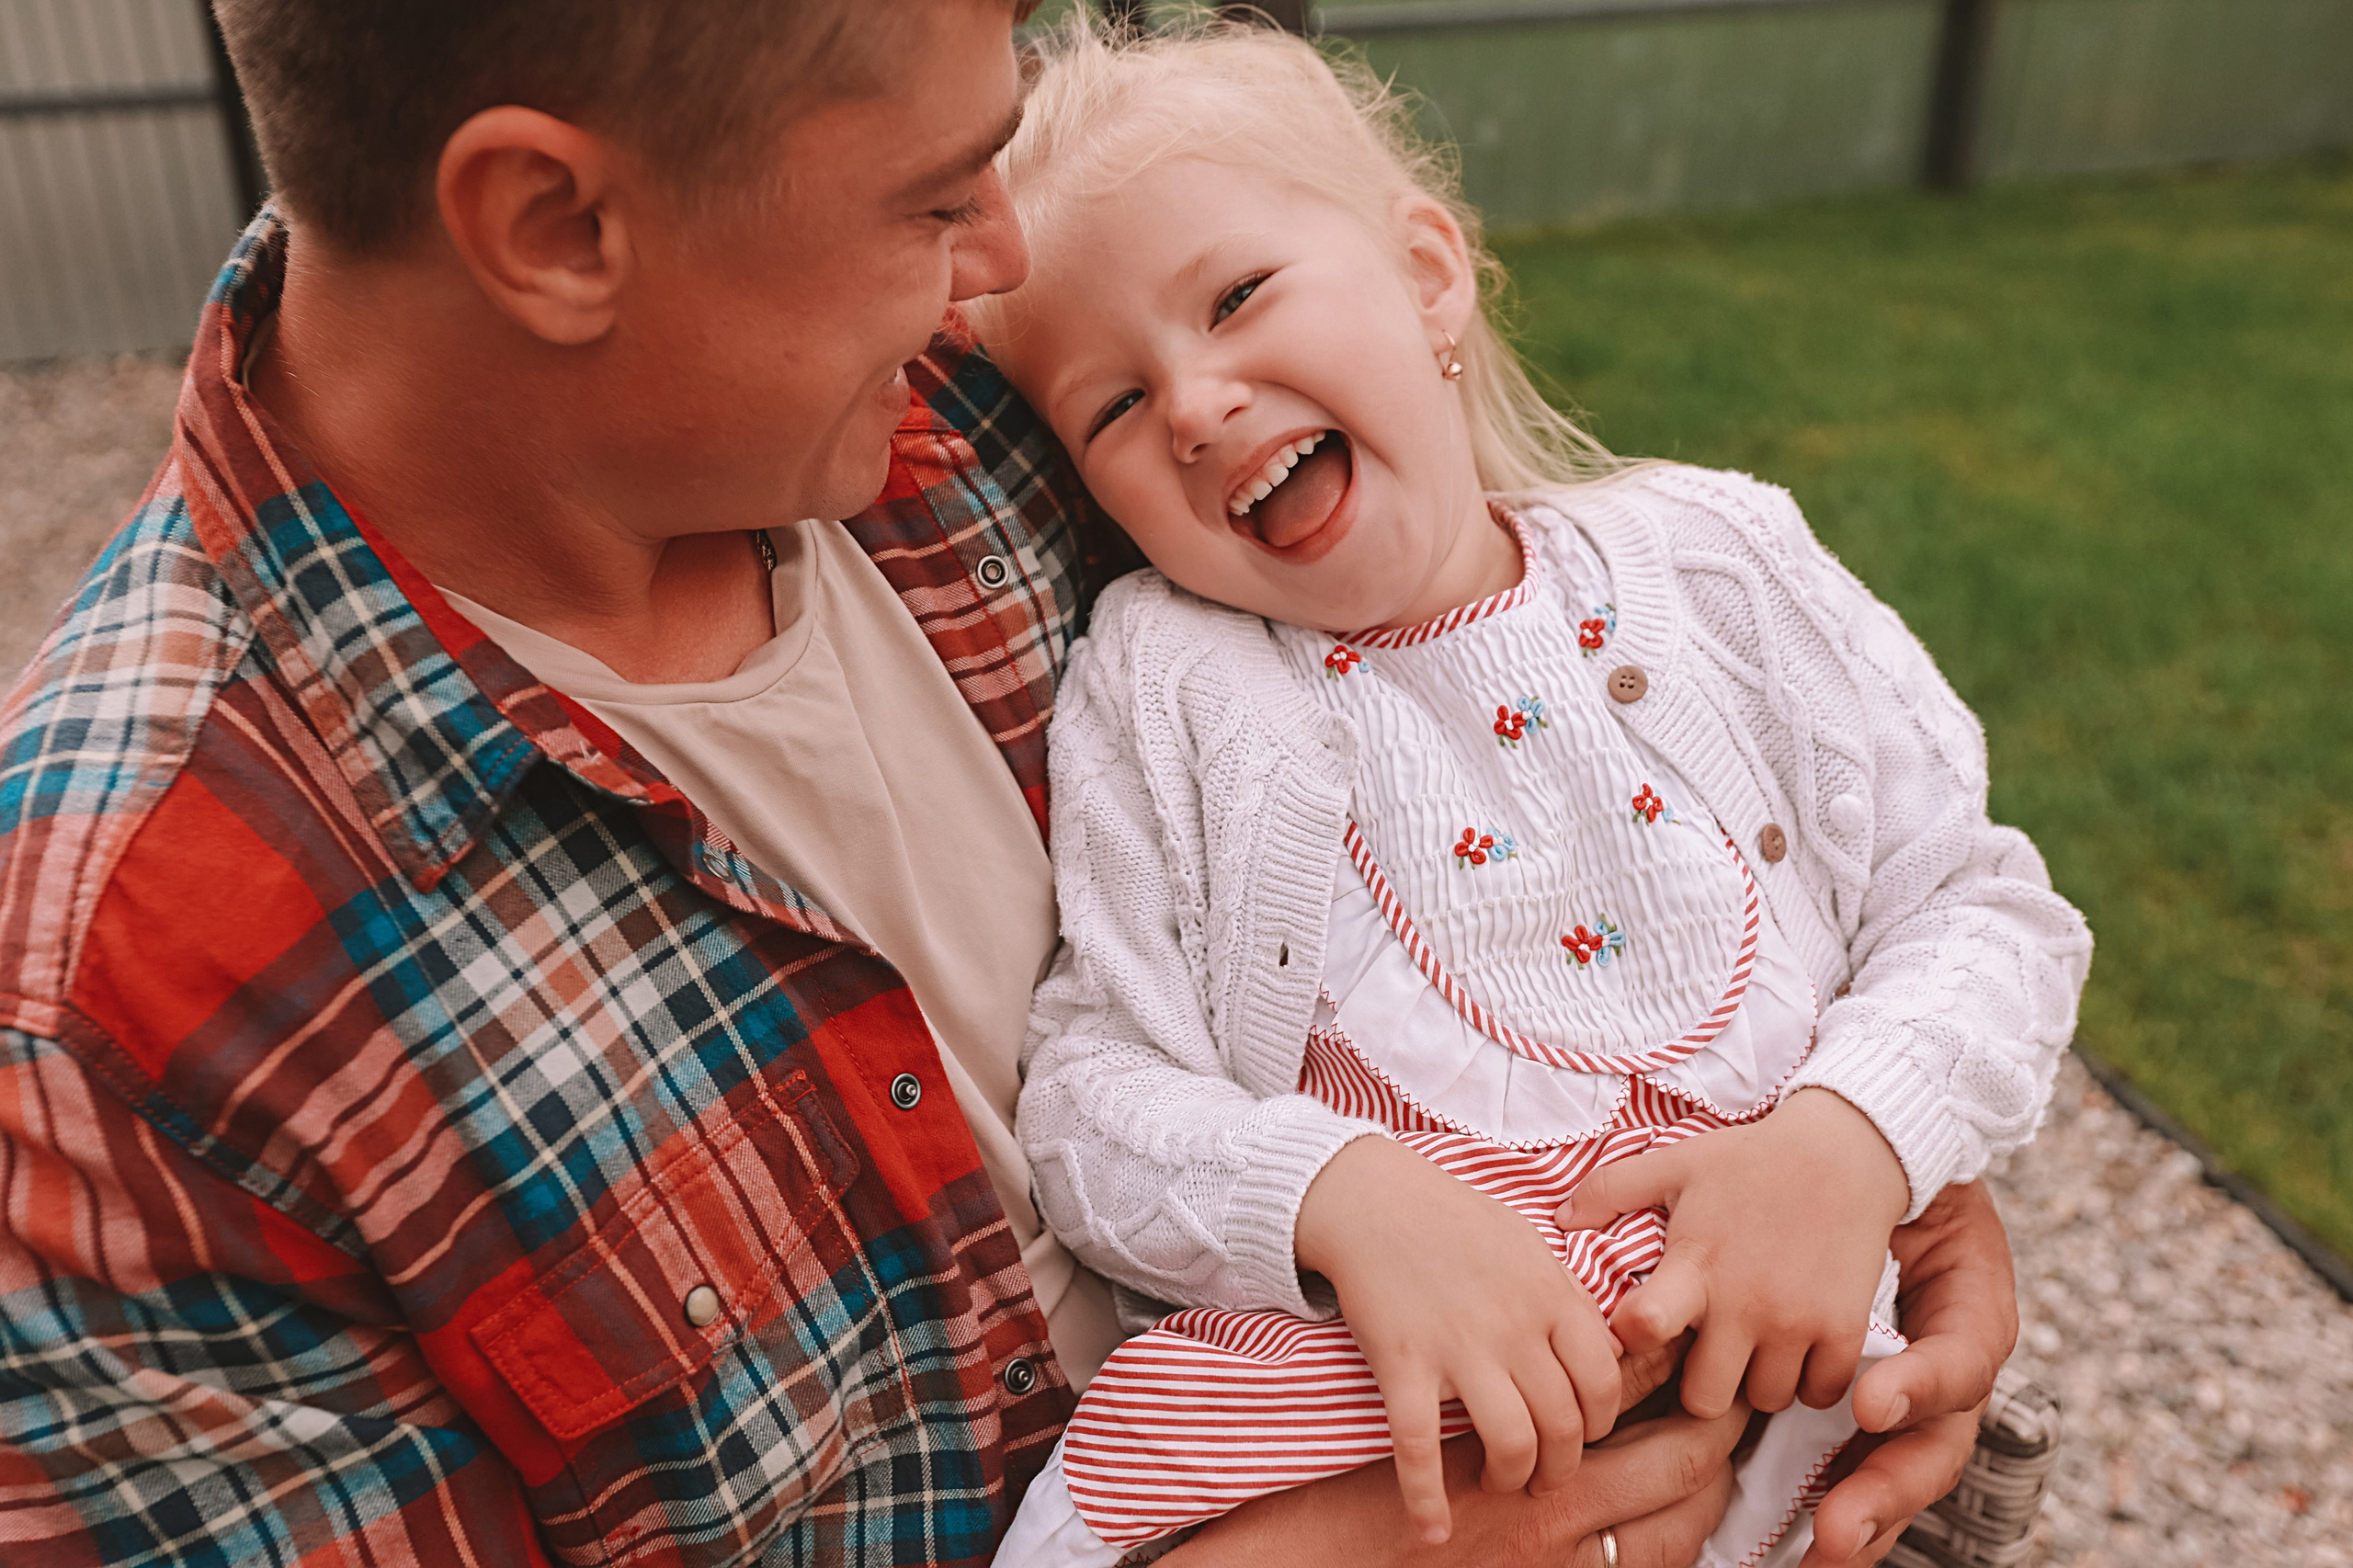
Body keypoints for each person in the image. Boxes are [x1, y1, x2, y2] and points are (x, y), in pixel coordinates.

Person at [0, 2, 2029, 1564]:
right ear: (553, 228)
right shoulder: (117, 1031)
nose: (994, 254)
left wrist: (1872, 1150)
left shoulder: (977, 411)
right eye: (927, 193)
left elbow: (1684, 796)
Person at [971, 20, 2091, 1568]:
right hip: (1381, 1414)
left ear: (1428, 275)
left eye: (1235, 299)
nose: (1195, 402)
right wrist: (1340, 1195)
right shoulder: (1166, 684)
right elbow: (1094, 1091)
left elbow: (1981, 905)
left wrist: (1851, 1136)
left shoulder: (1719, 565)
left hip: (1780, 1361)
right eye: (1109, 405)